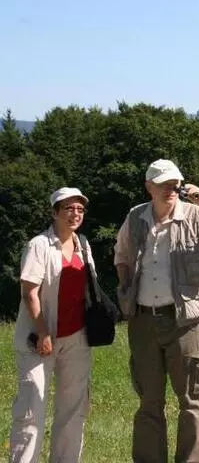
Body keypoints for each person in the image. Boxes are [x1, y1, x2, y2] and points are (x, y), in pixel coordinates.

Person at [114, 159, 199, 463]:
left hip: (187, 322)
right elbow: (120, 254)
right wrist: (125, 288)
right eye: (164, 184)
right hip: (144, 319)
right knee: (149, 401)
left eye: (175, 183)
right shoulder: (135, 218)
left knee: (191, 400)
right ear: (149, 187)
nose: (172, 189)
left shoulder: (197, 217)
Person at [9, 187, 102, 463]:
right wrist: (42, 331)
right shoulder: (39, 245)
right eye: (68, 208)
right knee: (31, 410)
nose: (75, 214)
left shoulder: (84, 244)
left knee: (73, 410)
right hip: (39, 337)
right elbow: (29, 292)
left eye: (80, 209)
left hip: (77, 337)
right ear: (54, 212)